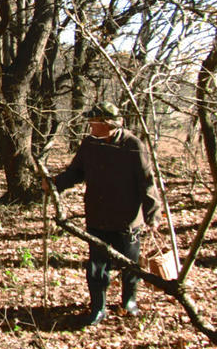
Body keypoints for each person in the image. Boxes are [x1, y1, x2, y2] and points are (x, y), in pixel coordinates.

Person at [42, 102, 161, 326]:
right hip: (97, 217)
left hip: (127, 220)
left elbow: (147, 184)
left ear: (108, 124)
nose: (90, 126)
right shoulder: (89, 144)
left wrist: (152, 216)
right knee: (96, 267)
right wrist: (55, 184)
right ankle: (98, 308)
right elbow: (76, 172)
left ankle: (129, 302)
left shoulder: (133, 145)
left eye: (94, 122)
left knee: (130, 265)